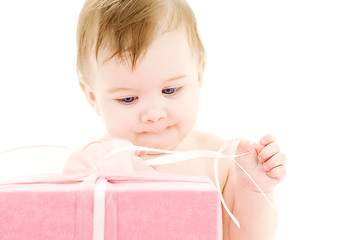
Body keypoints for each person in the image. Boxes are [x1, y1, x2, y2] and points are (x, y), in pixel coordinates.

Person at [67, 0, 287, 239]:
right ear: (92, 97)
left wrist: (253, 191)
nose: (154, 114)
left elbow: (247, 237)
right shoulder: (89, 163)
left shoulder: (221, 160)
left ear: (199, 76)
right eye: (128, 99)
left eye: (170, 91)